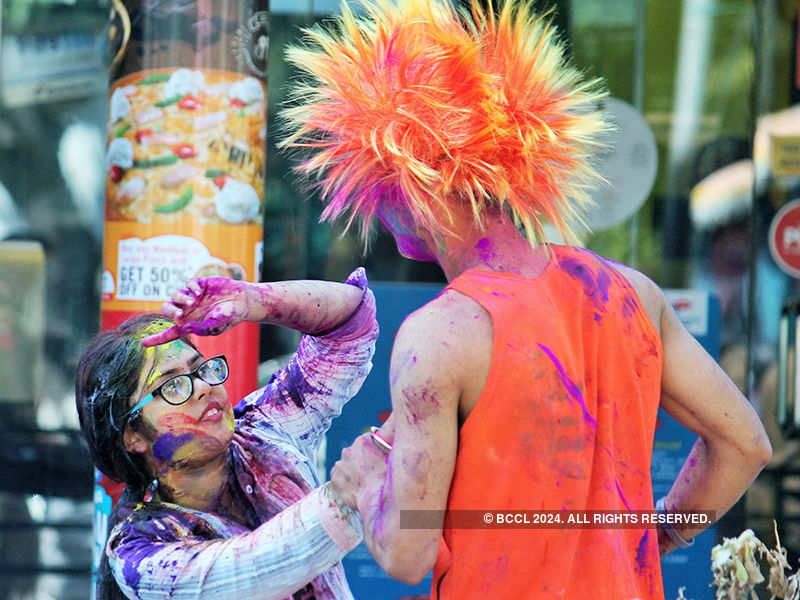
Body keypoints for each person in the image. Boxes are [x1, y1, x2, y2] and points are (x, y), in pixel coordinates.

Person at [279, 0, 774, 598]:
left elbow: (406, 555)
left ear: (414, 186)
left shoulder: (440, 336)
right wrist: (657, 533)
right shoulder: (630, 294)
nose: (376, 213)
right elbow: (744, 444)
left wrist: (361, 484)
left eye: (375, 186)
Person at [74, 268, 378, 600]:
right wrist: (344, 498)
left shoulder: (261, 430)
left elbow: (352, 324)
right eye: (173, 384)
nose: (204, 387)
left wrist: (253, 301)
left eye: (201, 368)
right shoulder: (139, 552)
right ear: (132, 434)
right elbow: (257, 569)